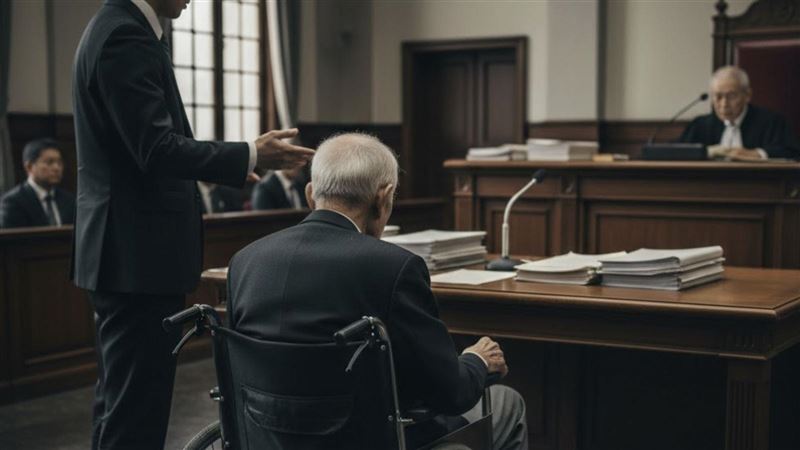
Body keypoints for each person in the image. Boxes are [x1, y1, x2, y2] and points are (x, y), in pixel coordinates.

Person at [71, 0, 315, 449]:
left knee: (120, 406)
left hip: (126, 254)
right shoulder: (125, 35)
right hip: (136, 259)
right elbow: (156, 149)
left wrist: (236, 160)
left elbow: (145, 147)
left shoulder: (116, 27)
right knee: (135, 416)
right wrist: (249, 154)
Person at [228, 133, 528, 450]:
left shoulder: (244, 262)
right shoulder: (394, 267)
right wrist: (477, 360)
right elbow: (450, 394)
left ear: (311, 194)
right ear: (383, 197)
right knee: (507, 402)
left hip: (263, 438)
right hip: (372, 440)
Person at [679, 65, 799, 160]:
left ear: (747, 95)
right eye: (718, 96)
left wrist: (757, 154)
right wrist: (707, 151)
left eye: (731, 96)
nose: (724, 104)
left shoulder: (771, 122)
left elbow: (791, 152)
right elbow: (678, 152)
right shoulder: (700, 125)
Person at [0, 138, 75, 228]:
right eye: (49, 162)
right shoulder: (13, 202)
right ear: (29, 167)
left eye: (59, 162)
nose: (56, 168)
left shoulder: (69, 200)